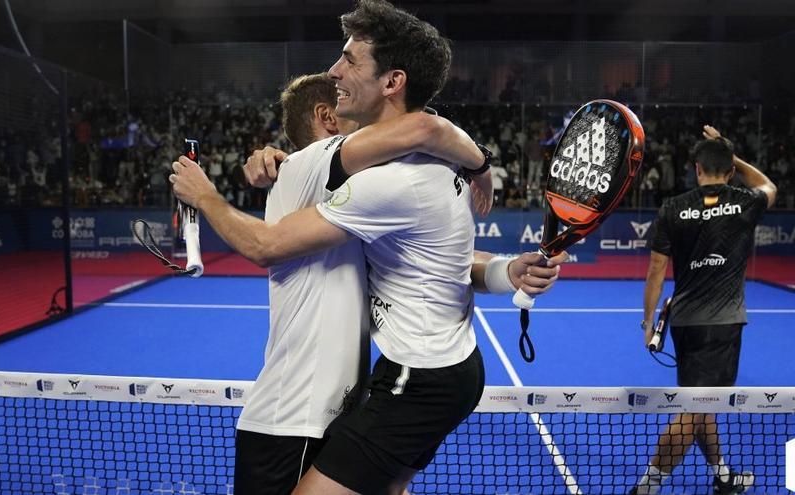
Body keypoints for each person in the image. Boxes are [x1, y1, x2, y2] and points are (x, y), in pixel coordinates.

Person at [170, 2, 565, 493]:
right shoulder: (438, 167)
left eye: (350, 61)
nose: (336, 71)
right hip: (441, 371)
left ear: (392, 82)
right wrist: (508, 270)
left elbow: (267, 244)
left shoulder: (391, 182)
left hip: (414, 380)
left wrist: (204, 194)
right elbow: (443, 262)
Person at [230, 72, 496, 495]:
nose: (380, 130)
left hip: (345, 404)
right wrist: (203, 192)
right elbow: (264, 245)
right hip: (295, 414)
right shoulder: (315, 168)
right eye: (343, 97)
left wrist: (502, 270)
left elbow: (435, 263)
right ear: (328, 117)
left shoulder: (365, 187)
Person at [632, 125, 777, 495]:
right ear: (729, 171)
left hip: (684, 324)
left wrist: (649, 323)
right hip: (722, 324)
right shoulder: (744, 202)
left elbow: (655, 271)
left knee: (701, 401)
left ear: (696, 169)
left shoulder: (673, 208)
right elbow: (769, 187)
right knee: (695, 407)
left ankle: (722, 475)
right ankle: (647, 488)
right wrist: (732, 154)